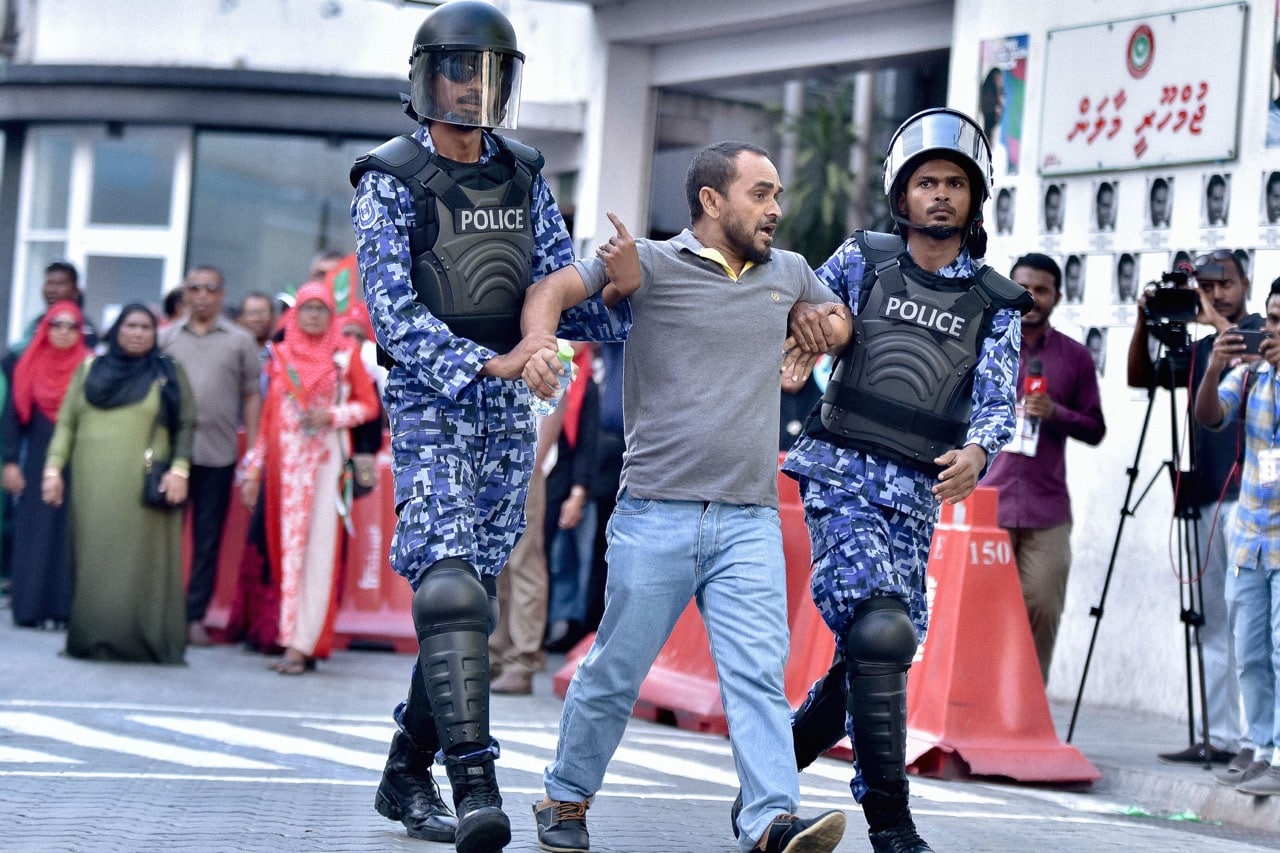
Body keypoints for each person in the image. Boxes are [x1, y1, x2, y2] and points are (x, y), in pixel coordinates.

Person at [349, 3, 630, 850]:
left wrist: (611, 288)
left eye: (488, 72)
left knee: (468, 598)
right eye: (458, 70)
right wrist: (489, 362)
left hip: (509, 412)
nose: (472, 87)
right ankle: (475, 784)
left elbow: (550, 284)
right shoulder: (388, 178)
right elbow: (391, 314)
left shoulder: (526, 172)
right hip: (435, 399)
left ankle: (405, 775)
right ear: (425, 77)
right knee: (449, 587)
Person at [520, 141, 849, 853]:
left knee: (759, 677)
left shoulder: (789, 271)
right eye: (760, 194)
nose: (775, 209)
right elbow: (549, 291)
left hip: (749, 521)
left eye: (778, 195)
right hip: (653, 514)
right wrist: (543, 343)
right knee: (613, 671)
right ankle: (565, 797)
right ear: (710, 200)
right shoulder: (652, 266)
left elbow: (839, 320)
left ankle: (768, 820)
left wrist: (821, 327)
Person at [774, 107, 1027, 853]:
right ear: (902, 191)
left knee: (880, 645)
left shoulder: (997, 300)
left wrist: (980, 453)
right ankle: (891, 820)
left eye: (954, 183)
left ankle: (779, 758)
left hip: (919, 490)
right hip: (842, 470)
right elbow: (808, 308)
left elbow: (997, 395)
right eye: (926, 182)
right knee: (880, 628)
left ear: (974, 198)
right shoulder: (864, 257)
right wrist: (804, 327)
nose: (940, 195)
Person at [1127, 248, 1256, 766]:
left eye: (1222, 283)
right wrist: (1144, 318)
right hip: (1203, 496)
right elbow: (1141, 378)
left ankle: (1258, 739)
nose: (1213, 293)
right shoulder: (1205, 347)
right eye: (1204, 285)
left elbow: (1244, 353)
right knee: (1214, 622)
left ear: (1245, 283)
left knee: (1254, 622)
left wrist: (1214, 316)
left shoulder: (1256, 334)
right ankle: (1220, 737)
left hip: (1250, 500)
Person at [238, 282, 378, 675]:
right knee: (287, 554)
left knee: (318, 554)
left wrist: (332, 417)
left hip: (325, 465)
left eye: (321, 308)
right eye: (306, 308)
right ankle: (290, 638)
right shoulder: (280, 356)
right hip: (285, 471)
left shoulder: (343, 355)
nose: (314, 315)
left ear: (331, 315)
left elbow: (369, 407)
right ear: (294, 314)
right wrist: (253, 471)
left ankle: (304, 644)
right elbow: (268, 421)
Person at [979, 254, 1106, 683]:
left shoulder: (1074, 357)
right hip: (985, 503)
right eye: (1023, 287)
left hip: (1046, 508)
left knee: (1043, 607)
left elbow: (1095, 428)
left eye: (1043, 290)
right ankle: (976, 710)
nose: (1031, 298)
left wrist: (1056, 412)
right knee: (980, 613)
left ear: (1058, 296)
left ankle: (1026, 714)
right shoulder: (983, 344)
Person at [42, 305, 194, 663]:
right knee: (95, 559)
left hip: (144, 483)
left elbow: (186, 424)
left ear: (155, 333)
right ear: (116, 330)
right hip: (92, 484)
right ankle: (92, 640)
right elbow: (66, 423)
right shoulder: (89, 370)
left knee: (141, 563)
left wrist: (180, 470)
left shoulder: (168, 372)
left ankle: (142, 642)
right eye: (130, 326)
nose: (138, 333)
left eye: (145, 327)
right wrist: (52, 471)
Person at [1192, 277, 1280, 796]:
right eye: (1271, 319)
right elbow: (1209, 417)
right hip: (1250, 536)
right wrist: (1215, 369)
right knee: (1250, 652)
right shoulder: (1250, 378)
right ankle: (1261, 745)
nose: (1274, 330)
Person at [159, 265, 262, 648]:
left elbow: (253, 395)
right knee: (164, 538)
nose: (202, 295)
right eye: (194, 288)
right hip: (171, 457)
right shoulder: (166, 339)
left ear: (221, 295)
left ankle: (193, 617)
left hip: (218, 454)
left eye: (210, 289)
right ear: (184, 294)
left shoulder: (239, 341)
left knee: (206, 540)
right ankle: (161, 612)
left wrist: (253, 450)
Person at [1, 302, 91, 628]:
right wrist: (9, 462)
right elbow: (11, 418)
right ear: (45, 329)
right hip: (37, 457)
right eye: (57, 325)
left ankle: (63, 610)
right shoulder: (28, 365)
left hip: (80, 460)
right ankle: (29, 609)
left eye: (71, 326)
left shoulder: (89, 366)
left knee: (69, 532)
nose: (64, 332)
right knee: (35, 532)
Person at [541, 342, 600, 655]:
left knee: (567, 558)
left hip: (569, 482)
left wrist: (578, 493)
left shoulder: (586, 384)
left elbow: (587, 442)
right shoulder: (540, 373)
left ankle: (562, 623)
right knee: (539, 557)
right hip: (543, 479)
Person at [980, 67, 1009, 178]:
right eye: (992, 91)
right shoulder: (969, 148)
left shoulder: (1002, 154)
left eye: (1001, 92)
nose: (998, 100)